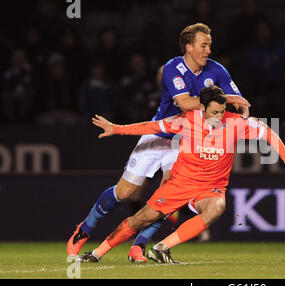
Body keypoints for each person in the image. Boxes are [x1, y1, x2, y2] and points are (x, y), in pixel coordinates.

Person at [67, 23, 250, 263]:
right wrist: (220, 102)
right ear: (189, 47)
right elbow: (184, 104)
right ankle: (85, 229)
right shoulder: (173, 67)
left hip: (186, 142)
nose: (208, 50)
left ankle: (138, 247)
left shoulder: (218, 71)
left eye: (209, 45)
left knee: (169, 197)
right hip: (159, 134)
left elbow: (243, 103)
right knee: (125, 192)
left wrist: (236, 111)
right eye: (203, 45)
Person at [78, 85, 285, 264]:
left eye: (222, 111)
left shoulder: (236, 123)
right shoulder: (186, 121)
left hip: (210, 187)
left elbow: (270, 133)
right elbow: (151, 126)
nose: (219, 117)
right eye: (214, 112)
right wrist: (116, 128)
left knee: (217, 207)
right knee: (141, 219)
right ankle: (98, 253)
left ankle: (162, 248)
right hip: (180, 183)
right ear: (202, 108)